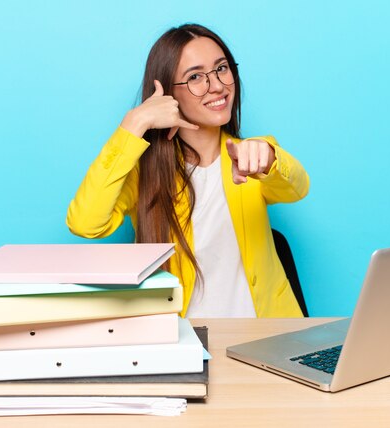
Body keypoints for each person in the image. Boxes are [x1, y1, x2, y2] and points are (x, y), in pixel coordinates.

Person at [66, 23, 309, 318]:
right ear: (169, 94)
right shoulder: (145, 175)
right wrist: (133, 125)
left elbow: (297, 187)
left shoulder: (252, 156)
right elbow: (85, 223)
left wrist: (269, 159)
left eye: (222, 69)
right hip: (182, 343)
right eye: (195, 77)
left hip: (264, 339)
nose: (217, 85)